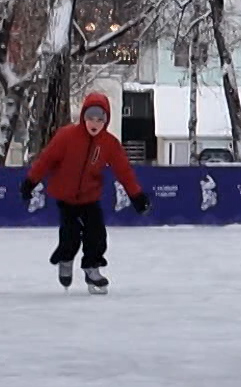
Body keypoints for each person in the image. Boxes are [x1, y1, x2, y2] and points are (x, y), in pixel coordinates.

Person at [21, 91, 149, 293]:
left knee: (97, 234)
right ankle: (66, 258)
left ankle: (92, 267)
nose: (94, 123)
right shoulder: (66, 136)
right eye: (90, 118)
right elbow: (46, 160)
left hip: (90, 197)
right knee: (70, 236)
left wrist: (136, 195)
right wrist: (30, 182)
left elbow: (124, 171)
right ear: (83, 117)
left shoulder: (109, 144)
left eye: (100, 119)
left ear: (106, 121)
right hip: (65, 196)